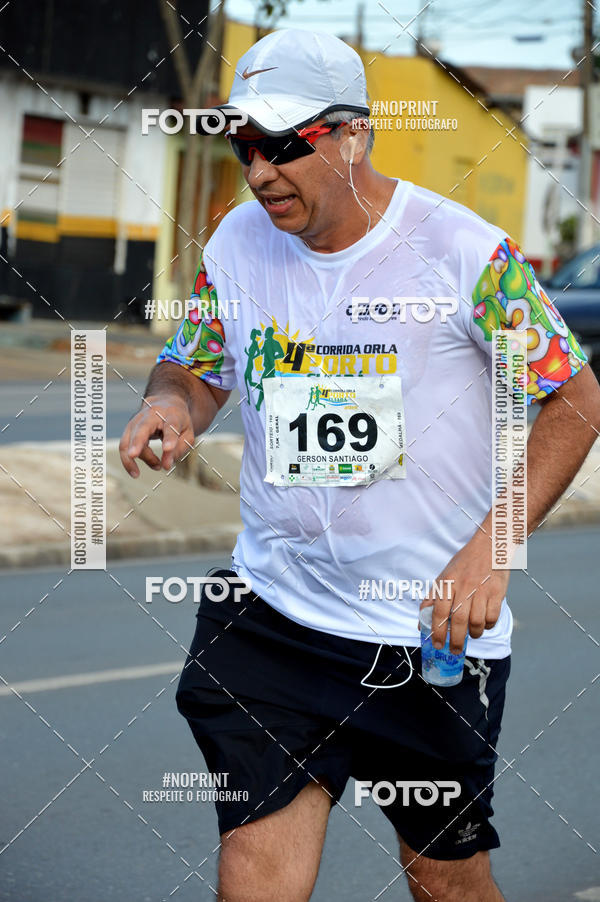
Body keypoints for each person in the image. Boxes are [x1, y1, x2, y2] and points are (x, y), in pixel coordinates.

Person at [119, 28, 600, 902]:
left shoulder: (464, 254)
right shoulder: (237, 242)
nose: (260, 171)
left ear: (351, 134)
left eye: (284, 145)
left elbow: (575, 397)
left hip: (426, 638)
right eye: (245, 146)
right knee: (252, 874)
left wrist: (493, 549)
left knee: (444, 880)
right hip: (274, 615)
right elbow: (195, 366)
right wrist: (169, 404)